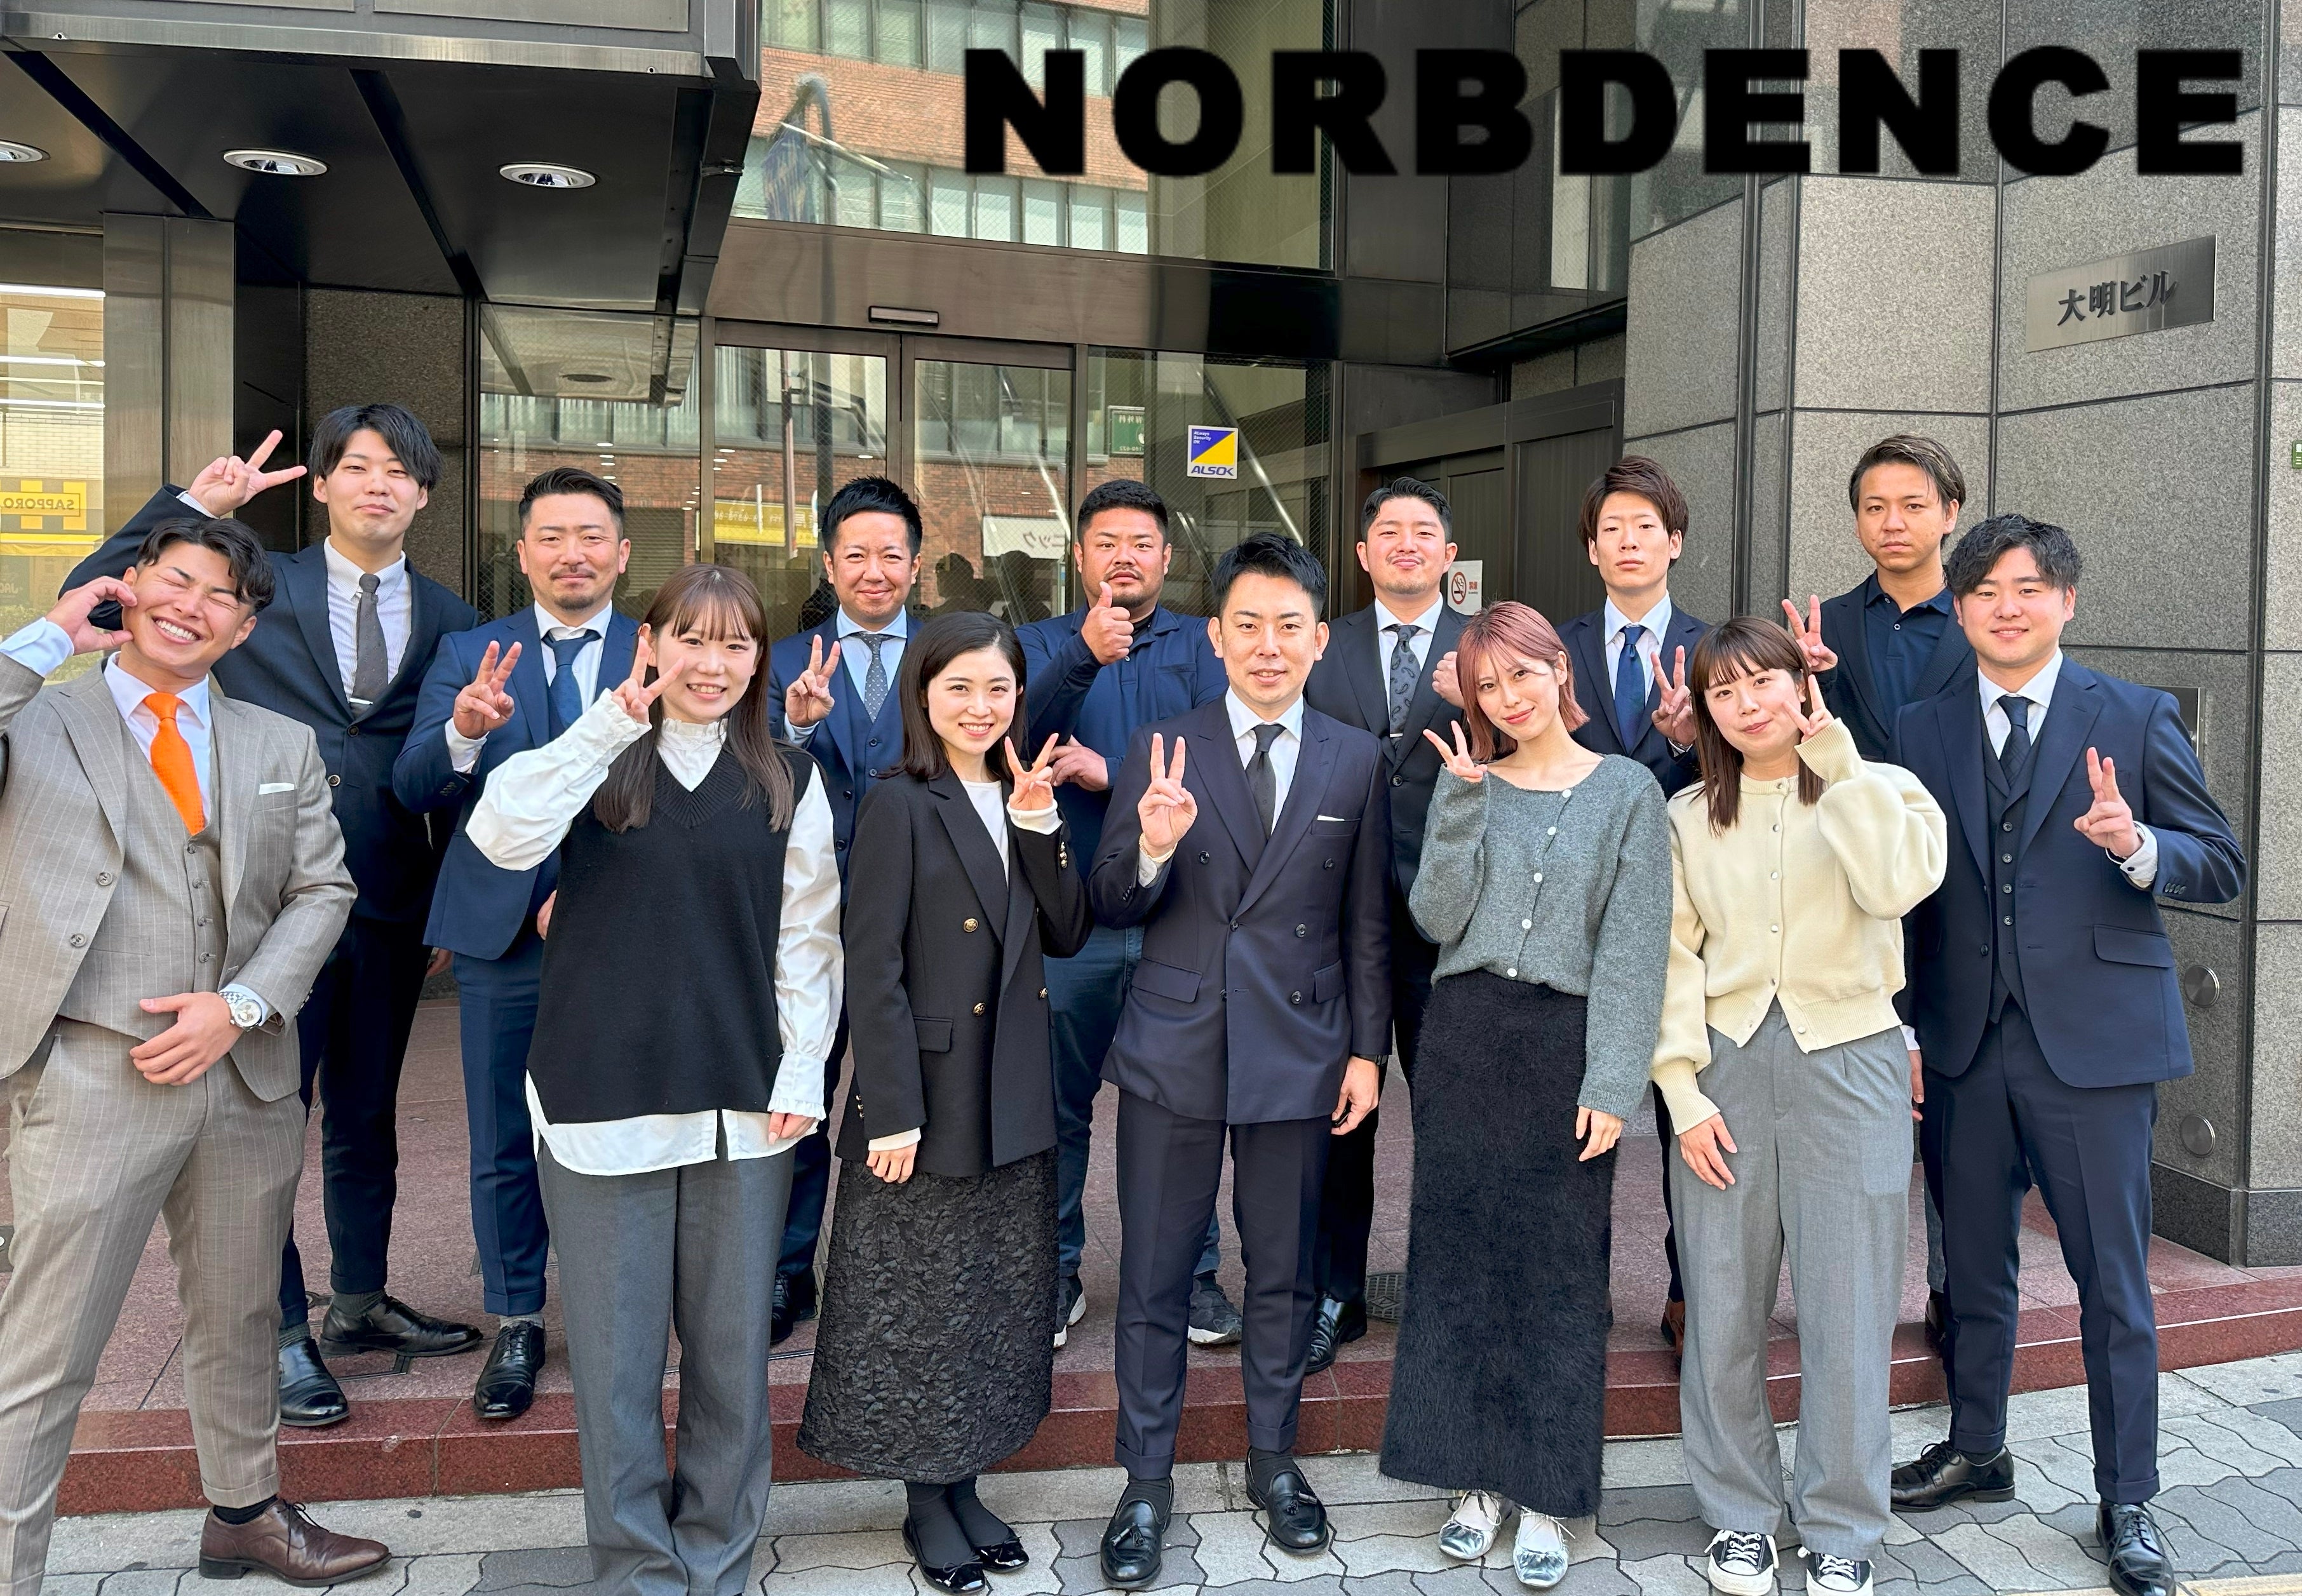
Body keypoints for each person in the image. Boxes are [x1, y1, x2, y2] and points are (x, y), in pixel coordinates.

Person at [66, 405, 480, 1427]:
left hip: (385, 899)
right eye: (358, 466)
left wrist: (447, 896)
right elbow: (102, 600)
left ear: (424, 495)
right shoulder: (255, 585)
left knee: (368, 1116)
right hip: (255, 899)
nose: (378, 484)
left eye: (399, 471)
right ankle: (282, 1329)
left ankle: (359, 1299)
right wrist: (193, 506)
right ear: (323, 484)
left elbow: (447, 764)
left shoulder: (451, 614)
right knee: (264, 1123)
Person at [0, 525, 379, 1586]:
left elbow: (323, 888)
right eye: (176, 580)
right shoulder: (40, 715)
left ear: (245, 628)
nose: (192, 606)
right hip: (91, 1068)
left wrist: (242, 1004)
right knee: (47, 1347)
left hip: (244, 1076)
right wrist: (48, 635)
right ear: (130, 586)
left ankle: (244, 1513)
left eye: (221, 596)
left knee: (240, 1313)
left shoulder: (278, 741)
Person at [464, 562, 839, 1596]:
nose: (711, 664)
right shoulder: (598, 753)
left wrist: (802, 1067)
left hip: (743, 1103)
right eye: (691, 639)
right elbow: (500, 836)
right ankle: (636, 1570)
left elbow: (809, 940)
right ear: (651, 643)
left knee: (731, 1361)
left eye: (735, 644)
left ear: (759, 659)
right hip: (601, 1101)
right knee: (617, 1369)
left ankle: (716, 1561)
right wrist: (605, 727)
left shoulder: (790, 777)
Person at [1888, 516, 2245, 1596]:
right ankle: (1979, 1446)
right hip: (1962, 1038)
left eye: (2030, 587)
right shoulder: (1921, 723)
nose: (2008, 606)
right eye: (1986, 590)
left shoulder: (2132, 716)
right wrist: (1903, 1025)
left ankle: (2127, 1496)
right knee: (1972, 1266)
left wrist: (2137, 844)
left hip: (2095, 1045)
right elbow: (1901, 890)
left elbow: (2220, 860)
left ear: (2067, 601)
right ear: (1959, 607)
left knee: (2112, 1281)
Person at [1087, 531, 1390, 1588]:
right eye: (1248, 624)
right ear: (1214, 637)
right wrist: (1153, 843)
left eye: (1289, 625)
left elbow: (1365, 924)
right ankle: (1144, 1483)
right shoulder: (1163, 745)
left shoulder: (1356, 754)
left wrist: (1368, 1051)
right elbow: (1109, 899)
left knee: (1285, 1272)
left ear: (1320, 639)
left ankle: (1275, 1461)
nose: (1269, 644)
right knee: (1156, 1274)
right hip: (1176, 1043)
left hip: (1300, 1048)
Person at [798, 612, 1094, 1593]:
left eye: (998, 688)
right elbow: (872, 963)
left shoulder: (1022, 794)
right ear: (923, 694)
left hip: (1011, 1089)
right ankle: (926, 1499)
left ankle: (964, 1483)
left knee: (988, 1299)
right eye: (959, 686)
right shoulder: (898, 800)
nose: (980, 705)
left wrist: (1042, 823)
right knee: (920, 1303)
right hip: (924, 1098)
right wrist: (889, 1106)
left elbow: (1066, 929)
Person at [1380, 601, 1670, 1588]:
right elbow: (1436, 916)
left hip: (1564, 1042)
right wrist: (1462, 803)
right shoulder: (1470, 782)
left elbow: (1633, 949)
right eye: (1488, 684)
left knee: (1558, 1270)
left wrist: (1614, 1080)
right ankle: (1473, 1477)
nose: (1509, 696)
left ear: (1559, 670)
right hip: (1465, 1035)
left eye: (1523, 673)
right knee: (1459, 1258)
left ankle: (1548, 1490)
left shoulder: (1627, 790)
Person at [1655, 617, 1946, 1596]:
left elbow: (1899, 884)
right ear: (1706, 712)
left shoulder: (1884, 787)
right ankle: (1741, 1514)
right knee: (1723, 1304)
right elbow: (1669, 960)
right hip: (1726, 1067)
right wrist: (1682, 1093)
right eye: (1723, 691)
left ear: (1802, 683)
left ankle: (1843, 1525)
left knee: (1850, 1309)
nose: (1746, 704)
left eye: (1762, 681)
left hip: (1852, 1060)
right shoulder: (1689, 814)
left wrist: (1835, 758)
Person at [394, 466, 638, 1419]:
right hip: (504, 934)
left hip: (630, 930)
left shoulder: (660, 650)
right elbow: (414, 785)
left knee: (625, 1127)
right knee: (503, 1135)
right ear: (523, 553)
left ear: (622, 553)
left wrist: (589, 895)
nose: (573, 553)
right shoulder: (471, 652)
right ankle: (518, 1318)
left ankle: (620, 1309)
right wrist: (461, 733)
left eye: (591, 536)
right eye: (552, 537)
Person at [1016, 479, 1237, 1350]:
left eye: (1141, 543)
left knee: (1183, 1104)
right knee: (1058, 1107)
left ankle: (1193, 1276)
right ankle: (1056, 1270)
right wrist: (1082, 654)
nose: (1123, 557)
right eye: (1106, 542)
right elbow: (1010, 742)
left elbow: (1223, 759)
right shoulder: (1039, 642)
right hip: (1069, 919)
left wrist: (1114, 774)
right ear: (1079, 556)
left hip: (1179, 913)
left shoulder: (1204, 644)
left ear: (1167, 557)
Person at [1780, 434, 1977, 1355]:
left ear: (1950, 511)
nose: (1892, 522)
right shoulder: (1823, 629)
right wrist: (1803, 683)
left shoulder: (1985, 617)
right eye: (1874, 507)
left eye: (1912, 505)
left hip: (1959, 882)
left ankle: (1954, 1291)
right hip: (1851, 884)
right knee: (1849, 1089)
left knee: (1955, 1096)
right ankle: (1839, 1299)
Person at [1299, 475, 1467, 1373]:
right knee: (1342, 1116)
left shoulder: (1488, 647)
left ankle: (1451, 1293)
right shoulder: (1321, 644)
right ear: (1362, 554)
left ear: (1450, 554)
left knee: (1454, 1115)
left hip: (1454, 924)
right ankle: (1337, 1293)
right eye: (1389, 531)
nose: (1407, 543)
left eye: (1423, 531)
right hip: (1342, 918)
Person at [762, 474, 925, 1345]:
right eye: (856, 554)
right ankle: (787, 1267)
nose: (874, 571)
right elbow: (748, 772)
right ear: (829, 564)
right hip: (810, 916)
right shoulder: (782, 659)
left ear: (916, 565)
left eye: (891, 555)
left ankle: (901, 1267)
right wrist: (794, 730)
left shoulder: (949, 654)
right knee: (801, 1090)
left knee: (916, 1090)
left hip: (921, 915)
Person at [1555, 455, 1711, 1360]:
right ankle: (1580, 1292)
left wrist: (1690, 744)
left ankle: (1692, 1293)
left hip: (1689, 916)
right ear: (1591, 548)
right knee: (1583, 1109)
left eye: (1645, 527)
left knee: (1689, 1105)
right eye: (1610, 528)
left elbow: (1750, 769)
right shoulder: (1554, 646)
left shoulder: (1716, 646)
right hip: (1577, 915)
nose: (1627, 542)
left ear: (1674, 541)